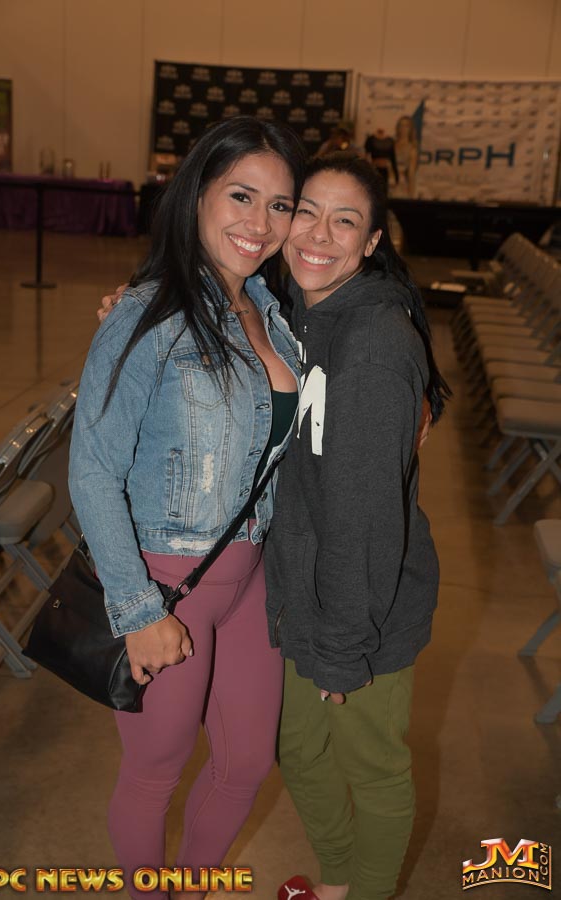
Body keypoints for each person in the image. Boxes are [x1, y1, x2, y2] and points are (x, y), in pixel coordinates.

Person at [68, 116, 306, 900]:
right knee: (155, 770)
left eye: (279, 205)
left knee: (246, 763)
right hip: (167, 580)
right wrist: (138, 610)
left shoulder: (270, 310)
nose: (259, 223)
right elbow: (93, 468)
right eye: (241, 196)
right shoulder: (148, 313)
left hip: (251, 575)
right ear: (197, 192)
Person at [264, 153, 450, 900]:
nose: (318, 234)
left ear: (372, 242)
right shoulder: (299, 310)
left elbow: (365, 518)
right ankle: (338, 879)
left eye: (345, 221)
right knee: (298, 749)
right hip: (304, 590)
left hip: (366, 608)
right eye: (306, 211)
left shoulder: (371, 343)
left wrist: (345, 647)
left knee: (371, 768)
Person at [391, 115, 418, 199]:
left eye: (406, 126)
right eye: (401, 125)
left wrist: (411, 192)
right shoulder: (391, 145)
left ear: (410, 129)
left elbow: (411, 172)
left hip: (401, 185)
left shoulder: (412, 148)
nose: (403, 128)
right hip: (386, 182)